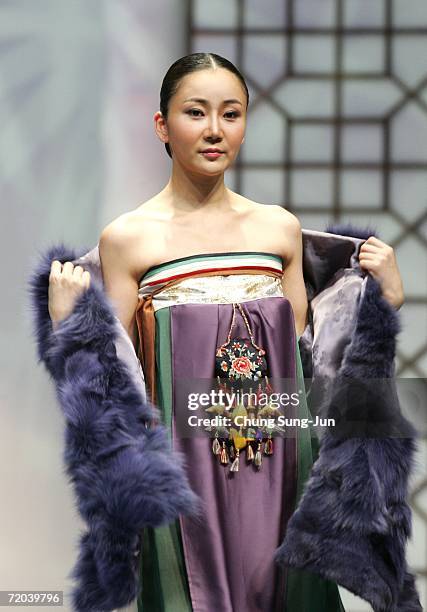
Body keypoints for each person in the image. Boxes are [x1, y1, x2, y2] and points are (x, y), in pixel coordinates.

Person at [47, 53, 407, 612]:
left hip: (283, 461)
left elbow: (308, 362)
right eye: (196, 112)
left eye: (231, 113)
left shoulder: (277, 228)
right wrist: (70, 325)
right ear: (162, 124)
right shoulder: (129, 239)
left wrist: (382, 303)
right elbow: (116, 380)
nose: (215, 130)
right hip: (185, 471)